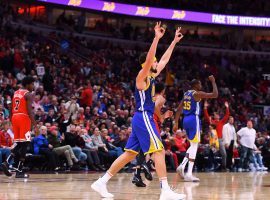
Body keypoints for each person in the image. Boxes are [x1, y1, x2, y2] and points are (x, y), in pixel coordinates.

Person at [91, 22, 186, 200]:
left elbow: (164, 60)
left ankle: (101, 182)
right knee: (158, 150)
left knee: (129, 154)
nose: (157, 62)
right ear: (147, 63)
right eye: (153, 61)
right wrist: (156, 38)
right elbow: (151, 59)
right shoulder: (141, 77)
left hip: (140, 118)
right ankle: (165, 190)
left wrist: (173, 41)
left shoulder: (151, 75)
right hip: (144, 117)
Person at [173, 75, 218, 182]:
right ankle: (188, 173)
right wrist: (213, 82)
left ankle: (182, 166)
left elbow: (179, 109)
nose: (201, 85)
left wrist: (175, 123)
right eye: (200, 84)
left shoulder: (186, 94)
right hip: (194, 119)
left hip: (185, 120)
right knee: (194, 146)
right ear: (196, 85)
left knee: (192, 145)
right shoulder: (197, 93)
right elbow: (215, 94)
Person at [132, 82, 173, 187]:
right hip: (151, 121)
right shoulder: (161, 98)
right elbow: (154, 108)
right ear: (163, 90)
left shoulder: (151, 96)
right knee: (158, 148)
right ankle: (148, 163)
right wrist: (163, 116)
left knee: (141, 148)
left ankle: (137, 175)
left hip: (141, 119)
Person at [1, 76, 36, 178]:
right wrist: (35, 126)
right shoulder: (28, 94)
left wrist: (12, 121)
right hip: (24, 118)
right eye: (32, 84)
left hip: (15, 118)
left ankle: (9, 163)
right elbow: (29, 111)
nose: (33, 86)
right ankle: (18, 170)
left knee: (19, 144)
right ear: (27, 84)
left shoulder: (16, 93)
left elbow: (11, 108)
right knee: (25, 145)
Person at [204, 101, 230, 170]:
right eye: (215, 115)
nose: (216, 116)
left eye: (217, 115)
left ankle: (223, 167)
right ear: (214, 116)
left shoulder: (221, 122)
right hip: (213, 141)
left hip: (220, 140)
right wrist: (205, 107)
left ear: (219, 116)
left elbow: (227, 116)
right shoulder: (212, 122)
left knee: (224, 154)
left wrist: (227, 107)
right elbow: (206, 116)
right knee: (212, 154)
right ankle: (214, 165)